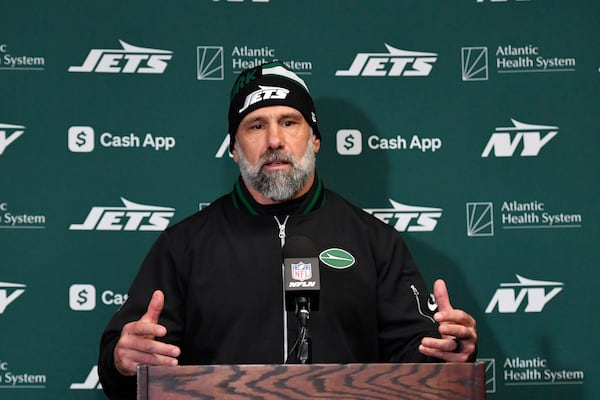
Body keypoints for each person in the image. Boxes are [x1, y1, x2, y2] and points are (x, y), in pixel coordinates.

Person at [98, 61, 477, 399]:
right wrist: (122, 360)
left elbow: (420, 357)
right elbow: (128, 367)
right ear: (233, 147)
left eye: (289, 122)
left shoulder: (375, 241)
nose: (274, 140)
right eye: (256, 125)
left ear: (314, 138)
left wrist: (451, 355)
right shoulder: (183, 246)